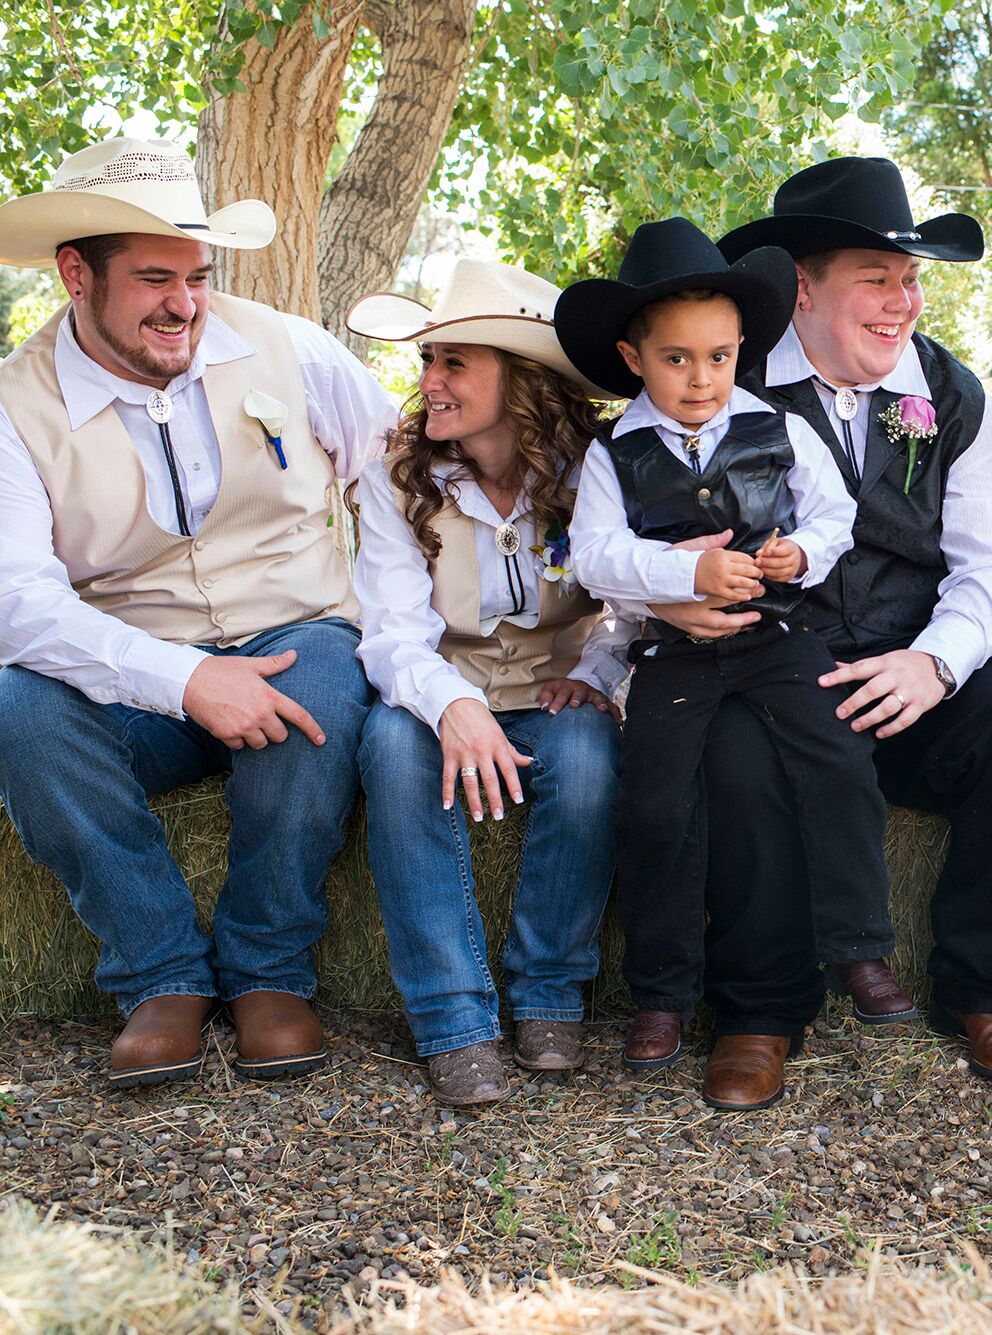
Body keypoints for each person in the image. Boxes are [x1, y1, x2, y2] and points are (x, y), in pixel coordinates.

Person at [638, 156, 992, 1110]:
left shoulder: (952, 396)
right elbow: (638, 531)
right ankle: (759, 1008)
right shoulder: (722, 382)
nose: (903, 300)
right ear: (802, 285)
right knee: (736, 745)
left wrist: (935, 662)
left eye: (911, 278)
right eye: (877, 277)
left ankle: (990, 988)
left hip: (907, 668)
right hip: (770, 664)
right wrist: (665, 598)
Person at [0, 137, 396, 1086]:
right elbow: (16, 602)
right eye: (151, 279)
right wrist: (183, 677)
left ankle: (269, 970)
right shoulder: (15, 403)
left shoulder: (292, 348)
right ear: (74, 276)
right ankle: (162, 973)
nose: (183, 302)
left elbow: (392, 489)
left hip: (297, 631)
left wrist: (396, 642)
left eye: (196, 276)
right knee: (15, 706)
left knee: (328, 684)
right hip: (133, 673)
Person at [561, 217, 904, 1107]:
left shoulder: (777, 427)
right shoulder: (614, 451)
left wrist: (800, 554)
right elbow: (592, 554)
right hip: (674, 650)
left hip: (776, 635)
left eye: (718, 356)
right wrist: (684, 571)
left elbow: (833, 516)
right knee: (660, 804)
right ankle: (664, 993)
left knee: (835, 755)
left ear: (742, 347)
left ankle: (859, 944)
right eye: (677, 359)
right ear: (635, 357)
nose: (701, 378)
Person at [346, 259, 630, 1105]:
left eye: (453, 361)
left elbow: (632, 604)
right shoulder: (397, 475)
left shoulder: (595, 472)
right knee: (394, 752)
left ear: (524, 379)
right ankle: (453, 1021)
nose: (428, 381)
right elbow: (393, 633)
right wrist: (455, 704)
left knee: (586, 761)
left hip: (559, 681)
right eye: (426, 360)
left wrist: (596, 669)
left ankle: (549, 992)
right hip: (438, 683)